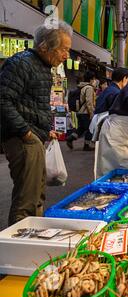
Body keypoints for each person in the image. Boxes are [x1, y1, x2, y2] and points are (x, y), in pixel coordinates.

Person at [0, 21, 72, 226]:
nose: (66, 55)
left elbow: (31, 104)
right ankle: (16, 249)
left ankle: (32, 238)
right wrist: (26, 133)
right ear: (44, 47)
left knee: (37, 194)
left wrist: (44, 130)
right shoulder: (21, 63)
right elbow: (3, 100)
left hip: (33, 137)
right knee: (27, 199)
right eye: (64, 49)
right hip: (22, 140)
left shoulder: (41, 66)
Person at [90, 67, 128, 141]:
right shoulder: (116, 93)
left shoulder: (109, 89)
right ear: (124, 79)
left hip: (99, 124)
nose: (127, 82)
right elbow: (116, 114)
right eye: (127, 79)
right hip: (106, 126)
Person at [66, 70, 97, 151]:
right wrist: (91, 113)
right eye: (94, 79)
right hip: (85, 113)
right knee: (90, 129)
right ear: (92, 79)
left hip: (79, 112)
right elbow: (89, 102)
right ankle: (86, 145)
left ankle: (71, 138)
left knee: (81, 128)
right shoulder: (89, 88)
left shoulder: (81, 86)